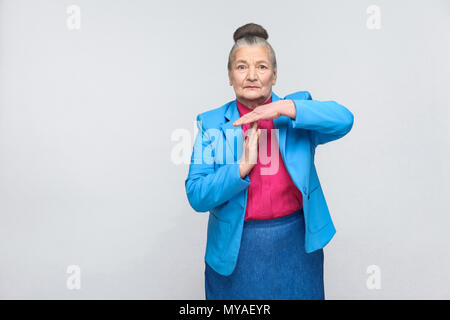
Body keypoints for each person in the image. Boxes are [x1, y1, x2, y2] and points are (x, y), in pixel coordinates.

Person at [184, 23, 354, 300]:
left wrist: (284, 108)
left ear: (274, 75)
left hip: (296, 245)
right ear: (229, 76)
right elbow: (197, 195)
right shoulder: (212, 124)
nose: (252, 75)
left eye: (262, 67)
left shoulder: (296, 115)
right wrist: (240, 168)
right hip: (236, 250)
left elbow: (344, 120)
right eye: (241, 67)